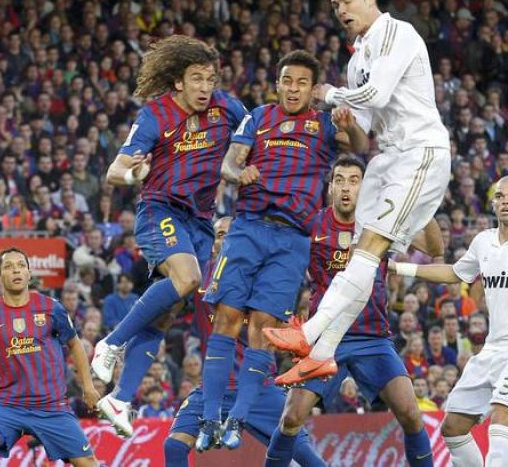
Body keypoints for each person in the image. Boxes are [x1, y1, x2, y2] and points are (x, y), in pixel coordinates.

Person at [264, 0, 452, 386]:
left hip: (420, 153)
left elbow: (378, 95)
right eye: (335, 6)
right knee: (361, 258)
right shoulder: (357, 61)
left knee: (367, 251)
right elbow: (364, 129)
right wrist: (346, 121)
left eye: (348, 1)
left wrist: (331, 94)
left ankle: (309, 335)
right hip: (388, 159)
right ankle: (324, 353)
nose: (342, 10)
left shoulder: (397, 34)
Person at [197, 49, 367, 450]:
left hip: (292, 239)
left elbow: (359, 146)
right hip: (248, 228)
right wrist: (242, 171)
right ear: (277, 84)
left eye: (302, 83)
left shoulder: (324, 124)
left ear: (312, 88)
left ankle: (237, 419)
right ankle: (209, 418)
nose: (293, 89)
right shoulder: (257, 118)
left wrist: (348, 123)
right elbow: (228, 165)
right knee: (227, 317)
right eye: (287, 81)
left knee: (262, 327)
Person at [91, 35, 248, 436]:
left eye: (209, 79)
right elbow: (115, 169)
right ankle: (111, 342)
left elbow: (252, 138)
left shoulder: (226, 108)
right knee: (188, 279)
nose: (204, 87)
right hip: (160, 209)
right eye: (196, 79)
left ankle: (120, 398)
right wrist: (133, 174)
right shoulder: (154, 115)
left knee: (165, 314)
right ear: (178, 81)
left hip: (199, 220)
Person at [264, 155, 437, 467]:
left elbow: (435, 248)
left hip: (373, 337)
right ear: (330, 188)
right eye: (339, 180)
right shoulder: (312, 224)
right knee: (291, 418)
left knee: (411, 414)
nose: (346, 188)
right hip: (327, 340)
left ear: (365, 187)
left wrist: (418, 200)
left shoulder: (383, 222)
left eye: (354, 181)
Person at [388, 176, 508, 466]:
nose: (506, 201)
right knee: (452, 429)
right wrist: (399, 267)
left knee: (501, 420)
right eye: (500, 196)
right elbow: (455, 272)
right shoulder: (484, 242)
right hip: (492, 349)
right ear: (493, 203)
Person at [164, 216, 325, 467]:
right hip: (213, 389)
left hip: (260, 388)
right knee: (173, 446)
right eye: (218, 235)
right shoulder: (198, 276)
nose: (224, 239)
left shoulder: (264, 280)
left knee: (308, 457)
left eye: (230, 234)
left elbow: (282, 332)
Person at [0, 248, 99, 466]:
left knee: (89, 463)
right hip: (7, 405)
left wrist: (88, 386)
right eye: (8, 266)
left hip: (51, 406)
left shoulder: (51, 308)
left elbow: (75, 345)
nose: (15, 270)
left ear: (29, 273)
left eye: (20, 266)